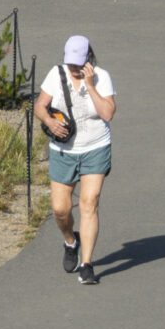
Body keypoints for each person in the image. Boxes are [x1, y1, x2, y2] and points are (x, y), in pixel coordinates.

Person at [37, 35, 117, 286]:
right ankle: (71, 241)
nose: (74, 69)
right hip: (64, 151)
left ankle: (87, 264)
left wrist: (91, 85)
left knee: (89, 202)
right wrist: (49, 122)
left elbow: (108, 113)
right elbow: (40, 106)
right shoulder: (55, 74)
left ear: (88, 59)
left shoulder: (101, 77)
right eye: (70, 64)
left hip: (95, 147)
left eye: (78, 64)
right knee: (60, 210)